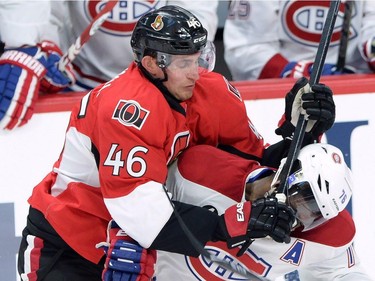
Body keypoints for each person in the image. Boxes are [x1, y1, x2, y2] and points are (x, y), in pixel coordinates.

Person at [17, 5, 335, 281]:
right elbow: (141, 212)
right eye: (184, 64)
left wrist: (301, 132)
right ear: (153, 64)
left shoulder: (214, 93)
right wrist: (237, 220)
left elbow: (253, 170)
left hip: (135, 245)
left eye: (197, 59)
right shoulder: (127, 107)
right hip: (68, 242)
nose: (195, 73)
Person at [158, 144, 372, 280]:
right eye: (304, 200)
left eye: (317, 215)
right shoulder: (199, 172)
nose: (301, 219)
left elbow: (342, 274)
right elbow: (141, 215)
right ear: (285, 173)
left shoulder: (331, 233)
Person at [0, 0, 219, 130]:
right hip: (80, 90)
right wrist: (30, 43)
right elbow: (47, 10)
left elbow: (195, 20)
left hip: (158, 92)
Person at [223, 0, 375, 81]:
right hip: (282, 99)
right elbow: (244, 49)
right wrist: (293, 72)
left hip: (357, 91)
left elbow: (371, 31)